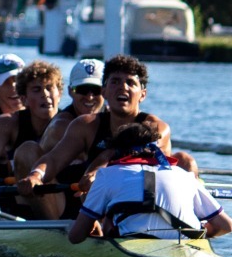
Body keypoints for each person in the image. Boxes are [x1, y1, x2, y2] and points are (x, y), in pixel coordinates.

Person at [15, 54, 197, 221]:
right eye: (115, 81)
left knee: (185, 161)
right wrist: (36, 175)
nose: (123, 87)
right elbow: (54, 160)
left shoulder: (156, 127)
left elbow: (124, 154)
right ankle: (66, 229)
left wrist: (95, 171)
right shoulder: (85, 125)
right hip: (89, 204)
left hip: (141, 202)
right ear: (105, 91)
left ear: (143, 94)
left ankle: (191, 223)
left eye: (130, 83)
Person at [66, 121, 232, 244]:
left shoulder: (106, 175)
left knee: (108, 219)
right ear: (155, 150)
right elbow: (226, 226)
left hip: (131, 248)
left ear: (117, 151)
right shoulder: (185, 175)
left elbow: (76, 237)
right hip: (185, 246)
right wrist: (202, 234)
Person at [0, 60, 63, 189]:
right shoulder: (7, 122)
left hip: (59, 195)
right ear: (24, 99)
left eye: (49, 88)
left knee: (28, 150)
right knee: (27, 150)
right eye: (37, 90)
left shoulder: (69, 124)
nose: (45, 95)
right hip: (19, 195)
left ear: (59, 94)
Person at [24, 58, 106, 174]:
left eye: (96, 90)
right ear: (70, 91)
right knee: (26, 149)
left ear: (106, 91)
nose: (90, 97)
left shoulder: (114, 117)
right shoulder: (61, 126)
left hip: (90, 180)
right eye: (82, 90)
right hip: (57, 181)